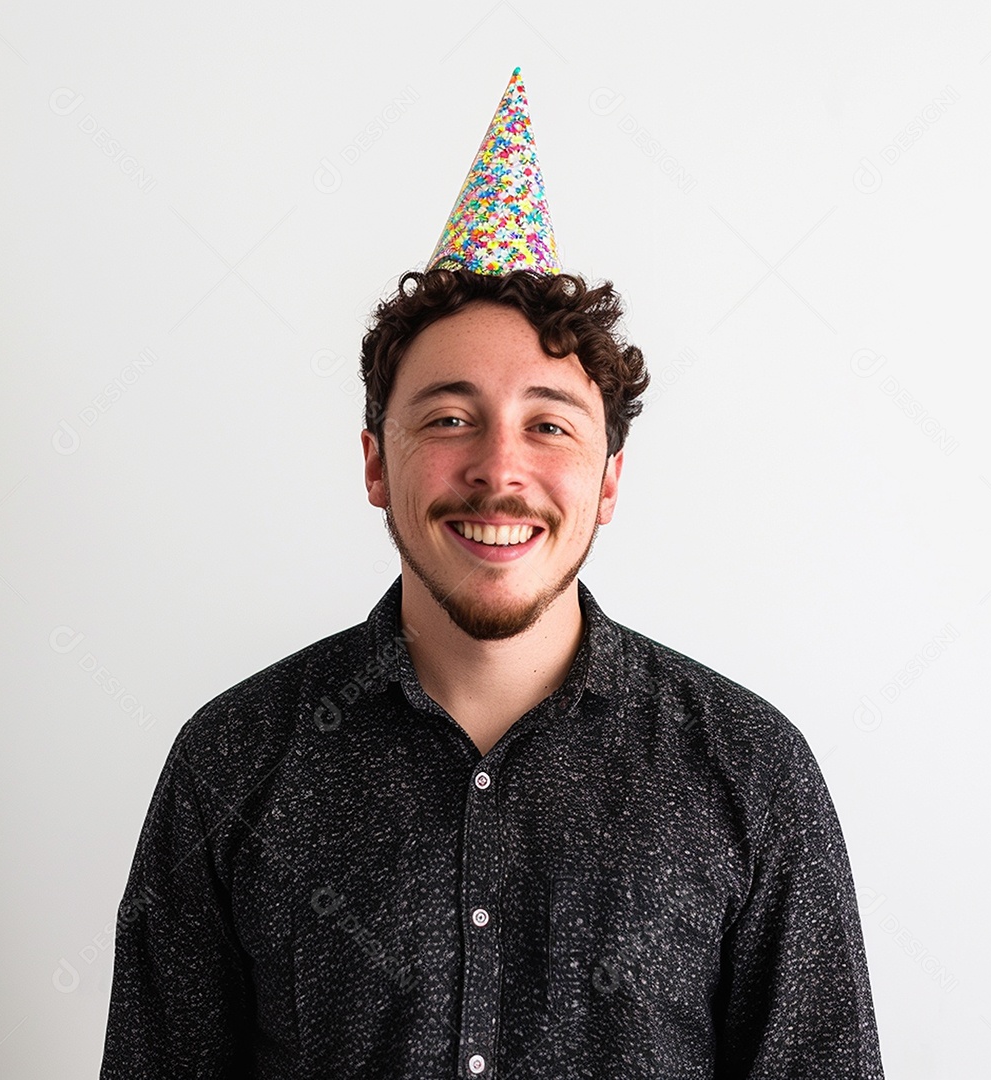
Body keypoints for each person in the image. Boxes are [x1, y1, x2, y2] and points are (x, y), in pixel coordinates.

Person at [100, 69, 884, 1078]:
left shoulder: (752, 773)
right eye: (448, 418)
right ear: (376, 463)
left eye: (548, 425)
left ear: (608, 479)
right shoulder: (233, 764)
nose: (499, 470)